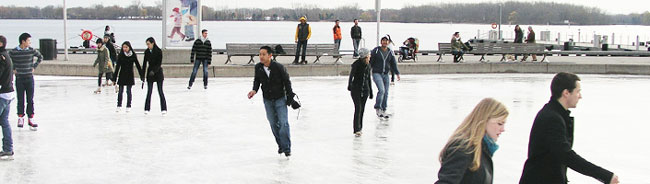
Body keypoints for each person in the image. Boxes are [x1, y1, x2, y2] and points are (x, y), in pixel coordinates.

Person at [519, 72, 620, 184]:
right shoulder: (552, 119)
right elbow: (566, 155)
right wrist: (605, 175)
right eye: (578, 92)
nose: (580, 96)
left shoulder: (555, 114)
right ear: (566, 93)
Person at [435, 98, 509, 184]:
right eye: (500, 123)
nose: (503, 129)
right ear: (484, 121)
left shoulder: (483, 150)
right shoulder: (463, 148)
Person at [247, 46, 295, 157]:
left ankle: (286, 148)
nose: (261, 56)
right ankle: (280, 145)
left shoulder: (278, 67)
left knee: (283, 123)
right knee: (273, 124)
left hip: (280, 99)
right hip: (268, 100)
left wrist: (290, 96)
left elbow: (287, 82)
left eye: (264, 54)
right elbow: (257, 81)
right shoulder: (258, 67)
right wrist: (254, 90)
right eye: (260, 54)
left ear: (270, 55)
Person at [9, 33, 42, 131]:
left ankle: (30, 118)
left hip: (29, 78)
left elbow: (40, 57)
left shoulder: (31, 50)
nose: (30, 43)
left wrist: (34, 66)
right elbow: (8, 60)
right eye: (28, 41)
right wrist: (13, 68)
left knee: (30, 99)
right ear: (23, 41)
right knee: (20, 99)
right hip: (20, 78)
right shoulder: (14, 52)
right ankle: (20, 118)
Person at [370, 35, 400, 119]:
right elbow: (370, 62)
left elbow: (393, 63)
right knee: (381, 90)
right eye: (383, 40)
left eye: (386, 41)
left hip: (386, 74)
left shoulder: (390, 52)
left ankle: (384, 109)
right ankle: (378, 107)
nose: (385, 42)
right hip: (377, 73)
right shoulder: (376, 51)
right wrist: (367, 71)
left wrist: (397, 73)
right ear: (381, 42)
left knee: (386, 92)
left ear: (388, 42)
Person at [347, 48, 373, 137]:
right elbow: (352, 75)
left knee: (362, 109)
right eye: (369, 55)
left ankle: (360, 127)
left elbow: (369, 79)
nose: (370, 57)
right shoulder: (356, 64)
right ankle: (356, 128)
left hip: (365, 90)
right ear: (365, 56)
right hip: (356, 89)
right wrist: (349, 85)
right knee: (358, 108)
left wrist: (371, 91)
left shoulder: (368, 65)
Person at [112, 41, 142, 113]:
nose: (124, 49)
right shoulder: (121, 55)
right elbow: (117, 67)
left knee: (128, 91)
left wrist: (142, 75)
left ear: (129, 47)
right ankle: (119, 105)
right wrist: (114, 78)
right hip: (122, 75)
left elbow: (138, 65)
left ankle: (128, 105)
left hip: (129, 75)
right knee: (120, 91)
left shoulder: (133, 55)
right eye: (123, 47)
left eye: (126, 47)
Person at [142, 37, 167, 115]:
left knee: (160, 91)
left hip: (158, 73)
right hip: (150, 74)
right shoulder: (146, 52)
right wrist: (142, 75)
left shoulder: (158, 51)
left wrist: (154, 71)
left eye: (149, 44)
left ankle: (164, 108)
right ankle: (147, 108)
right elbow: (144, 64)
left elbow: (159, 63)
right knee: (149, 91)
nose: (148, 45)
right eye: (147, 44)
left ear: (153, 43)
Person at [0, 35, 15, 160]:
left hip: (2, 94)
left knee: (4, 122)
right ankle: (8, 149)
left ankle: (8, 149)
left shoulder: (1, 58)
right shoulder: (6, 55)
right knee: (4, 122)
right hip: (8, 93)